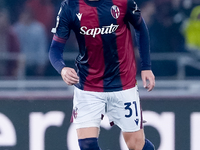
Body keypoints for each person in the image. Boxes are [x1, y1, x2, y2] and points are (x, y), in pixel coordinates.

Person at [49, 0, 155, 149]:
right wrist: (62, 69)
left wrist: (146, 67)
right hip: (88, 85)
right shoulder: (70, 6)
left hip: (123, 83)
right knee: (87, 145)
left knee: (136, 145)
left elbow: (141, 28)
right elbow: (55, 49)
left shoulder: (123, 2)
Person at [13, 6, 48, 76]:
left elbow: (42, 47)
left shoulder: (39, 29)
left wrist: (41, 64)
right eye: (23, 15)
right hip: (19, 64)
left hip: (34, 63)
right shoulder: (15, 29)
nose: (25, 17)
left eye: (27, 15)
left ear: (31, 16)